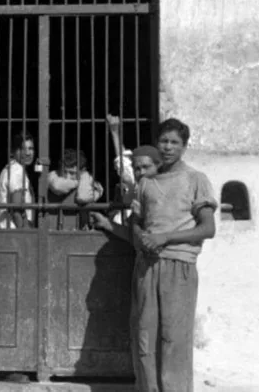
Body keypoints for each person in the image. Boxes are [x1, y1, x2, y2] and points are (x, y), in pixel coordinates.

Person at [92, 119, 217, 392]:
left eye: (174, 142)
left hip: (179, 267)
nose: (168, 147)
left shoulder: (196, 180)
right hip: (146, 267)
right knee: (145, 339)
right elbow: (138, 230)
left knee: (174, 339)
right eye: (164, 141)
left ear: (185, 146)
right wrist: (119, 227)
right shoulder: (145, 184)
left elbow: (208, 228)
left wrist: (165, 237)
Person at [47, 148, 104, 230]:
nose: (67, 177)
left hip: (78, 232)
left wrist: (84, 178)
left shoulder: (86, 178)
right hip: (54, 231)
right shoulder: (53, 175)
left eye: (72, 173)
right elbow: (57, 186)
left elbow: (83, 197)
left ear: (82, 171)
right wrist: (78, 183)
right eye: (64, 172)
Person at [0, 132, 36, 229]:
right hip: (15, 234)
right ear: (13, 151)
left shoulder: (10, 169)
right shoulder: (17, 170)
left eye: (31, 148)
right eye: (22, 149)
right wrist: (25, 231)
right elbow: (16, 208)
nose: (28, 153)